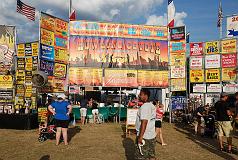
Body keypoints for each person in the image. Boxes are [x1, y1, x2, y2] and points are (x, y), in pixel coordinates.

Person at [135, 89, 156, 160]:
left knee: (141, 157)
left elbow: (144, 122)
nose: (139, 96)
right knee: (151, 156)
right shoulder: (152, 105)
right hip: (151, 135)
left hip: (144, 137)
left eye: (141, 94)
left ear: (145, 96)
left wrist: (140, 137)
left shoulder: (144, 107)